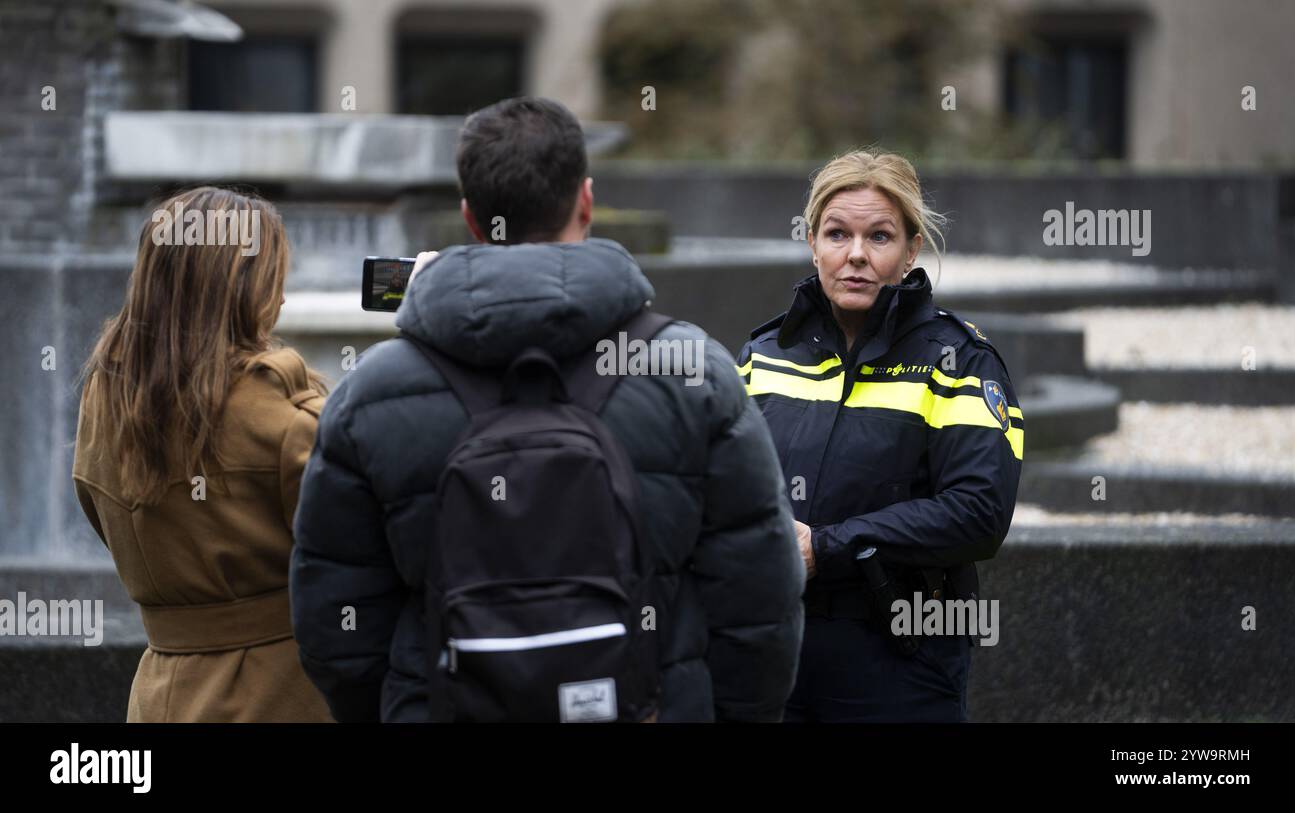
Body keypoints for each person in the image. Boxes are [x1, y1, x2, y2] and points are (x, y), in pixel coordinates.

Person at [289, 97, 804, 723]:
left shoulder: (370, 391)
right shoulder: (694, 370)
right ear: (586, 202)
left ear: (471, 219)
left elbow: (334, 619)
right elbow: (761, 595)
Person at [737, 149, 1023, 722]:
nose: (856, 256)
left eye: (880, 236)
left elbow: (978, 514)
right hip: (771, 656)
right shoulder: (762, 356)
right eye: (837, 234)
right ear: (812, 241)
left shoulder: (959, 363)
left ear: (912, 248)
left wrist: (827, 547)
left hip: (902, 661)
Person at [73, 186, 333, 722]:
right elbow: (360, 546)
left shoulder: (104, 398)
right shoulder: (279, 414)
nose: (281, 300)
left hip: (159, 693)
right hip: (279, 692)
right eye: (272, 279)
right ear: (237, 285)